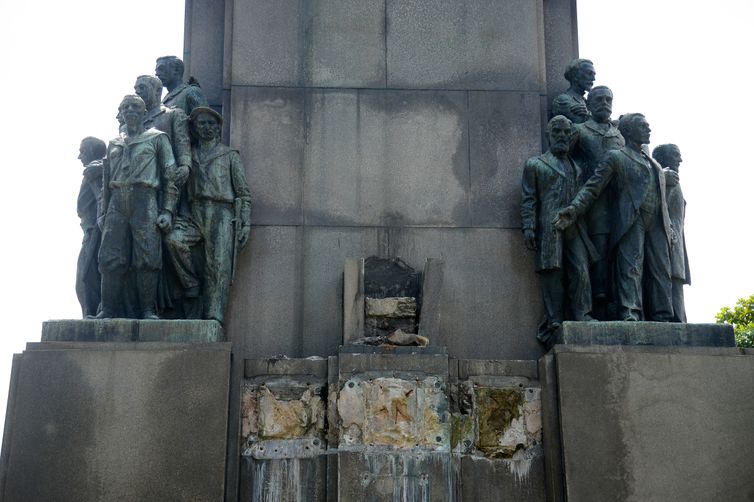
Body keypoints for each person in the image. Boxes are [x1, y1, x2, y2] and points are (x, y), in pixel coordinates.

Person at [555, 113, 674, 322]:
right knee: (630, 266)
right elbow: (593, 187)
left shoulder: (654, 164)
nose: (648, 129)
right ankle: (630, 312)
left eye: (648, 125)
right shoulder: (616, 157)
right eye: (643, 126)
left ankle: (663, 314)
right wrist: (573, 209)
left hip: (657, 222)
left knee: (661, 269)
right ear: (627, 131)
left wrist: (669, 226)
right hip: (631, 218)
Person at [164, 107, 251, 323]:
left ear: (218, 127)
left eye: (211, 124)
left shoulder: (230, 155)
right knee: (173, 240)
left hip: (222, 212)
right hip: (194, 212)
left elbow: (243, 192)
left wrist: (246, 222)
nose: (206, 127)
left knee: (218, 266)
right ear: (194, 127)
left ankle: (214, 316)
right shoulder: (188, 156)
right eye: (201, 123)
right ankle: (191, 285)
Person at [97, 95, 180, 319]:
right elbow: (105, 181)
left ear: (145, 113)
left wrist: (168, 210)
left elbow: (170, 176)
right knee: (109, 257)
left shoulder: (158, 138)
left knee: (147, 256)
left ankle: (148, 310)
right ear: (121, 112)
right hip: (117, 199)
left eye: (136, 106)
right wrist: (102, 212)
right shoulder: (114, 143)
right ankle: (107, 310)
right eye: (126, 107)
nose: (131, 110)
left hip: (145, 198)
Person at [521, 115, 596, 342]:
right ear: (548, 136)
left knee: (581, 269)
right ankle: (554, 318)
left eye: (566, 132)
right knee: (551, 271)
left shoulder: (579, 168)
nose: (562, 136)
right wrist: (529, 228)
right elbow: (529, 199)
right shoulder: (535, 164)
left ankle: (583, 314)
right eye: (557, 132)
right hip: (549, 225)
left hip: (575, 225)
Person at [572, 86, 625, 319]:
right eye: (599, 99)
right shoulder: (579, 131)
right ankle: (599, 304)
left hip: (622, 201)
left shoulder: (620, 133)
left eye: (608, 99)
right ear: (589, 104)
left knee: (622, 250)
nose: (604, 103)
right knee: (599, 253)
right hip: (594, 202)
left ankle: (622, 304)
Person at [653, 144, 689, 322]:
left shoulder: (671, 179)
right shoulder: (665, 178)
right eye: (676, 155)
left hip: (675, 244)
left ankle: (678, 321)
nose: (680, 159)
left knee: (675, 282)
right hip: (667, 241)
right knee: (670, 280)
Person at [75, 136, 106, 317]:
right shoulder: (95, 169)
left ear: (93, 152)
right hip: (90, 228)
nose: (79, 156)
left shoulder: (95, 170)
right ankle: (90, 311)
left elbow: (101, 199)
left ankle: (91, 312)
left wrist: (92, 228)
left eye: (83, 151)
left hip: (97, 229)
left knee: (87, 274)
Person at [551, 58, 596, 124]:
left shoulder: (586, 101)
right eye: (589, 73)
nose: (593, 79)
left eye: (594, 74)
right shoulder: (563, 100)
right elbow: (582, 126)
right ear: (575, 75)